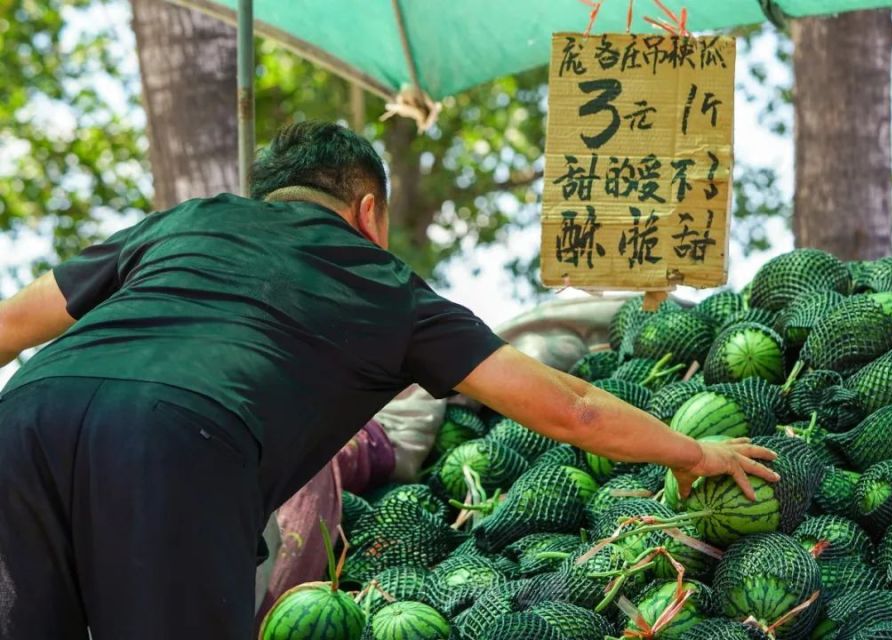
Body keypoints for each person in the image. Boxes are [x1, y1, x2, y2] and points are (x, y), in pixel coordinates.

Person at [0, 121, 778, 639]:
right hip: (176, 440)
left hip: (23, 419)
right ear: (368, 210)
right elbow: (571, 409)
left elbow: (7, 329)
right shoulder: (385, 286)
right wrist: (693, 453)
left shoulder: (183, 222)